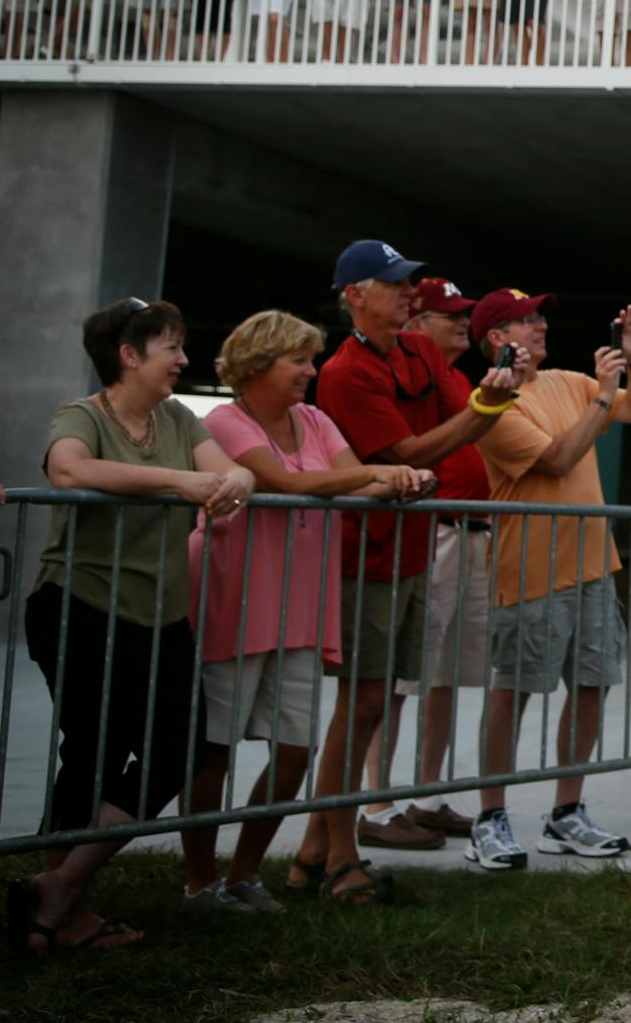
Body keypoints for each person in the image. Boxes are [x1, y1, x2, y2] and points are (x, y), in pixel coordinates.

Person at [9, 298, 253, 953]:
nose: (183, 359)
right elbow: (67, 469)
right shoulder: (82, 415)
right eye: (171, 347)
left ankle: (58, 886)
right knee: (92, 750)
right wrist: (181, 482)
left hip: (161, 615)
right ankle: (65, 914)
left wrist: (236, 478)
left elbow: (230, 471)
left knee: (178, 748)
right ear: (128, 354)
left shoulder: (177, 416)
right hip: (79, 606)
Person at [179, 310, 437, 912]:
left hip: (299, 609)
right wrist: (378, 473)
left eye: (310, 359)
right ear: (258, 363)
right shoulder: (222, 422)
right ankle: (199, 882)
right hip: (233, 604)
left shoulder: (315, 420)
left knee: (295, 749)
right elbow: (286, 484)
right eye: (298, 359)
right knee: (215, 749)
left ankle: (244, 875)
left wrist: (388, 481)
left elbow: (349, 482)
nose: (310, 371)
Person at [290, 242, 521, 901]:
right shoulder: (344, 372)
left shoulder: (418, 351)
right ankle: (339, 855)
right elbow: (408, 457)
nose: (408, 292)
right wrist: (485, 410)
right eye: (393, 283)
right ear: (353, 294)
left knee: (372, 703)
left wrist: (486, 402)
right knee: (360, 704)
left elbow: (459, 418)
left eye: (408, 281)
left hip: (417, 549)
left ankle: (316, 849)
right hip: (369, 554)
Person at [469, 288, 631, 868]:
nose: (539, 326)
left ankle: (566, 812)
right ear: (497, 339)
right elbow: (558, 457)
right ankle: (491, 817)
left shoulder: (567, 382)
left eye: (539, 317)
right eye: (525, 321)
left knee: (592, 685)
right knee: (514, 693)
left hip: (594, 566)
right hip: (529, 571)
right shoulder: (491, 402)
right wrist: (602, 396)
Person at [355, 278, 500, 838]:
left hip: (472, 533)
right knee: (400, 678)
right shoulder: (402, 376)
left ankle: (425, 793)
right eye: (448, 314)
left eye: (465, 312)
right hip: (430, 531)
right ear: (416, 325)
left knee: (445, 678)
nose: (463, 322)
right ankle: (375, 803)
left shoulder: (454, 377)